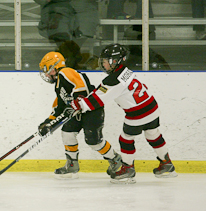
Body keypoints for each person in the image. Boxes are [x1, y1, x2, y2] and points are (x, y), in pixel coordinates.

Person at [70, 44, 177, 184]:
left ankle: (127, 169)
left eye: (105, 61)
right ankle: (167, 164)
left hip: (138, 113)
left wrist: (81, 104)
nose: (103, 64)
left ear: (116, 61)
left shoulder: (113, 80)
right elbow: (103, 90)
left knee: (125, 138)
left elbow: (99, 99)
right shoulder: (125, 71)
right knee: (153, 133)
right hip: (151, 106)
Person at [37, 51, 122, 179]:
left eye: (46, 69)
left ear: (54, 66)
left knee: (93, 141)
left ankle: (115, 159)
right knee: (67, 133)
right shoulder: (59, 85)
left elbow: (82, 86)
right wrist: (48, 122)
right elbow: (59, 106)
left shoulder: (65, 72)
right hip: (76, 112)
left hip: (91, 109)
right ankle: (72, 164)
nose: (46, 73)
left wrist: (77, 101)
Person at [30, 0, 105, 48]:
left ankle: (68, 55)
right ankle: (70, 55)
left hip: (83, 6)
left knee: (85, 26)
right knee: (60, 30)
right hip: (56, 5)